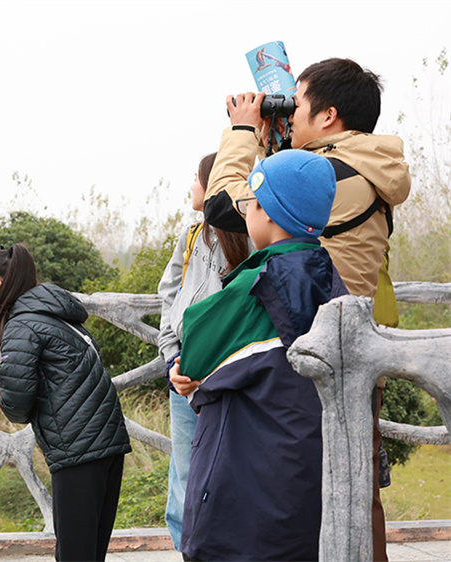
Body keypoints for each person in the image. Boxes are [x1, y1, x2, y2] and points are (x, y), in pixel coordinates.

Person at [203, 58, 411, 560]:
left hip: (317, 349)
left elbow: (227, 207)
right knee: (356, 489)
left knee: (334, 492)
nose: (290, 113)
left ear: (328, 116)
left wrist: (241, 132)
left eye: (297, 104)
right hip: (346, 340)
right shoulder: (364, 167)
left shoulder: (338, 174)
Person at [170, 149, 347, 561]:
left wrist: (185, 373)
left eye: (249, 201)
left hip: (245, 484)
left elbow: (195, 352)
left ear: (266, 214)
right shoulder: (332, 278)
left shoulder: (254, 286)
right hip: (304, 473)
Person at [0, 243, 132, 562]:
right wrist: (10, 388)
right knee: (90, 553)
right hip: (106, 444)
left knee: (73, 555)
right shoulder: (55, 313)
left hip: (78, 451)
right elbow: (62, 374)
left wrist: (9, 394)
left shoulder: (20, 323)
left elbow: (17, 406)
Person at [156, 152, 251, 552]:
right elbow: (168, 298)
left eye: (196, 179)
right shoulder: (191, 236)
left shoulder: (252, 236)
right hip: (183, 376)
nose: (191, 187)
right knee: (183, 486)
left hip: (228, 379)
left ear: (214, 185)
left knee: (234, 478)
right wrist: (170, 359)